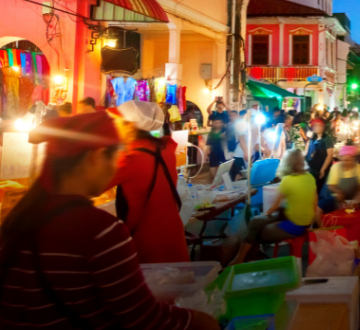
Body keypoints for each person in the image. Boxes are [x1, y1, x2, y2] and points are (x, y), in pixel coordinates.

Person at [0, 112, 217, 329]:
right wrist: (200, 321)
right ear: (96, 156)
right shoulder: (100, 230)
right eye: (117, 157)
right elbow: (142, 318)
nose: (117, 166)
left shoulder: (19, 220)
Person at [106, 100, 187, 263]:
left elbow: (89, 187)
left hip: (146, 245)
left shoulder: (129, 160)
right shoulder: (166, 148)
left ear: (129, 126)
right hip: (174, 236)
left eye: (117, 122)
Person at [232, 149, 317, 265]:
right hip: (303, 222)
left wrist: (264, 216)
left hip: (293, 225)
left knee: (255, 228)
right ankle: (244, 258)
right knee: (255, 223)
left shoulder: (287, 180)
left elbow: (274, 207)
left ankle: (241, 259)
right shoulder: (310, 177)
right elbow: (314, 203)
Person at [322, 145, 360, 212]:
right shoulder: (335, 168)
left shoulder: (358, 168)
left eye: (349, 160)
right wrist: (339, 192)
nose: (346, 163)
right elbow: (331, 185)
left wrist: (358, 197)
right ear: (340, 159)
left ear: (354, 159)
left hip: (355, 197)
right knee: (322, 206)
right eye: (344, 160)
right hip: (338, 197)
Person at [306, 118, 335, 191]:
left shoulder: (327, 138)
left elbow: (330, 155)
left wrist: (323, 169)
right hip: (313, 168)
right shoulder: (312, 139)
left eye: (319, 125)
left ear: (323, 127)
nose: (316, 127)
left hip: (322, 168)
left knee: (320, 189)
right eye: (315, 126)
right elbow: (309, 153)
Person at [205, 115, 227, 180]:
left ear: (222, 123)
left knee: (221, 173)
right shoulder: (211, 133)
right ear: (213, 124)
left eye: (220, 122)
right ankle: (215, 184)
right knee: (213, 173)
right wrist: (206, 154)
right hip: (213, 154)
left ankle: (220, 186)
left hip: (222, 154)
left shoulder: (225, 131)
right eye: (216, 123)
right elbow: (208, 144)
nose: (218, 124)